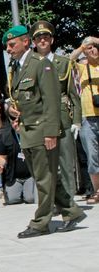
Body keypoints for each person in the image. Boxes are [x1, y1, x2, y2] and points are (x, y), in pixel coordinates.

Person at [4, 25, 86, 238]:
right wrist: (13, 112)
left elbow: (51, 101)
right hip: (28, 130)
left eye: (12, 44)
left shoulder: (42, 65)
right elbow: (24, 100)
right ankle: (72, 211)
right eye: (7, 45)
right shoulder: (17, 68)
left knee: (43, 179)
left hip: (41, 131)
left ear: (25, 42)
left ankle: (40, 222)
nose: (8, 49)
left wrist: (51, 132)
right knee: (48, 177)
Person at [31, 20, 83, 204]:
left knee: (66, 163)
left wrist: (77, 121)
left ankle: (69, 203)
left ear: (51, 40)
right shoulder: (30, 64)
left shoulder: (64, 63)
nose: (42, 40)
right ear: (34, 42)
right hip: (39, 119)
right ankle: (51, 204)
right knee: (46, 166)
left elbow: (73, 94)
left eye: (46, 37)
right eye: (38, 38)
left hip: (62, 117)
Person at [70, 36, 99, 203]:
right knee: (93, 156)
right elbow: (70, 59)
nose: (93, 50)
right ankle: (97, 191)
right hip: (88, 116)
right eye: (90, 48)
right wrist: (83, 47)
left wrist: (96, 40)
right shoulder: (81, 68)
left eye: (95, 47)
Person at [0, 109, 36, 204]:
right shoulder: (6, 136)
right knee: (12, 200)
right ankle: (18, 191)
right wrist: (0, 165)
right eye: (12, 122)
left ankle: (27, 191)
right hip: (14, 177)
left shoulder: (32, 133)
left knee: (30, 199)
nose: (15, 124)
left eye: (17, 121)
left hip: (30, 175)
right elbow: (1, 156)